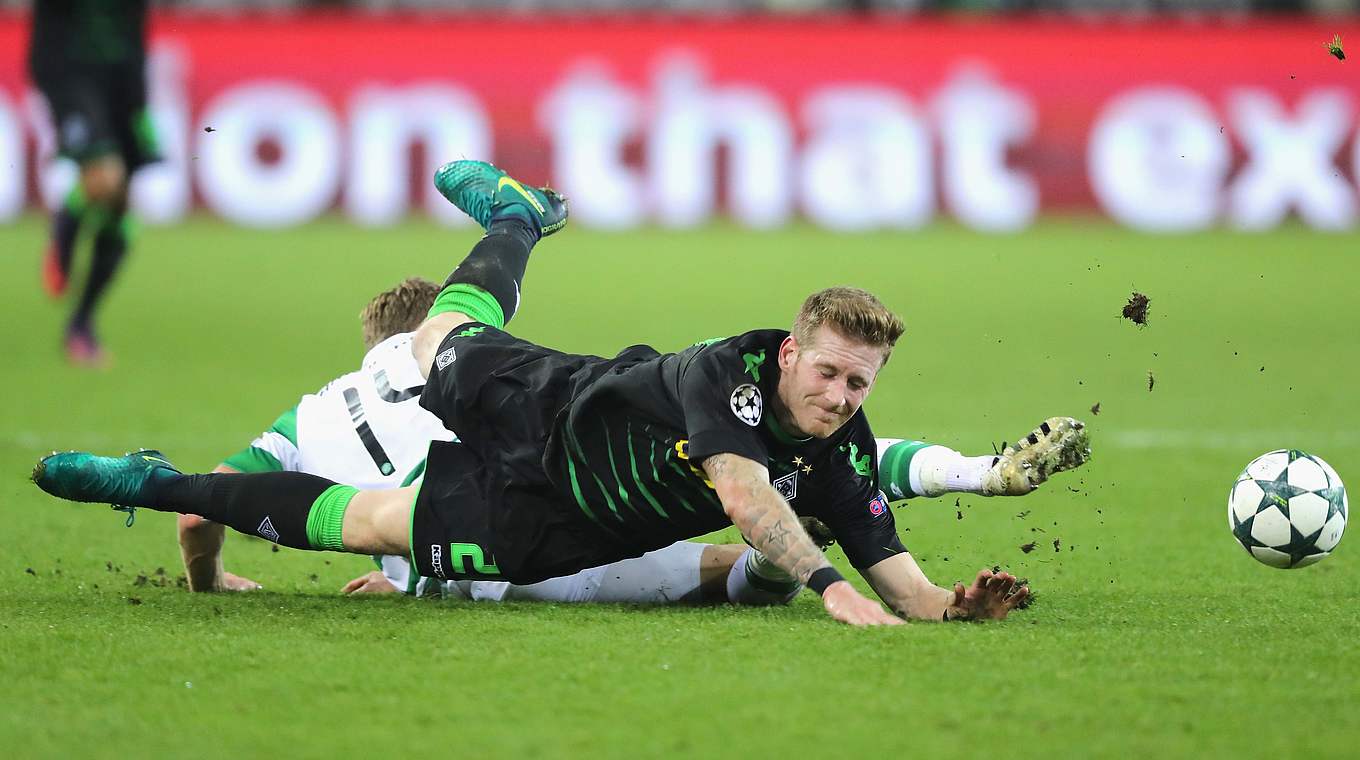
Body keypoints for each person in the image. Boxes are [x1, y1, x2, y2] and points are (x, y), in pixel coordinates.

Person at [34, 160, 1091, 626]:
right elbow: (743, 489)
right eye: (828, 370)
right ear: (788, 353)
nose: (841, 394)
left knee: (369, 521)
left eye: (858, 383)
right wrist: (828, 586)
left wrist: (951, 605)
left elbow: (896, 570)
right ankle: (519, 217)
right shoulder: (722, 373)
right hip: (543, 406)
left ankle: (154, 480)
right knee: (443, 338)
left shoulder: (840, 443)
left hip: (545, 522)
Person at [188, 277, 1076, 607]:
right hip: (545, 518)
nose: (842, 390)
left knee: (380, 528)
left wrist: (210, 574)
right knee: (765, 505)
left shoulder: (304, 418)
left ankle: (774, 556)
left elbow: (209, 510)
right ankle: (959, 479)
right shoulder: (466, 369)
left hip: (479, 546)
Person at [29, 0, 158, 365]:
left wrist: (140, 102)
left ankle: (81, 323)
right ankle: (65, 230)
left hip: (123, 85)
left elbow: (136, 29)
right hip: (69, 75)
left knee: (122, 212)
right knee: (105, 174)